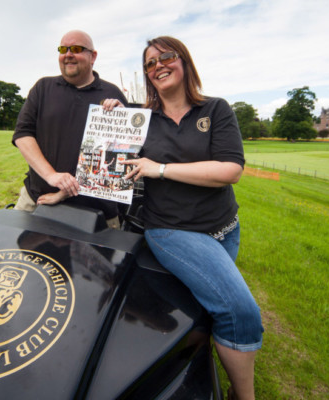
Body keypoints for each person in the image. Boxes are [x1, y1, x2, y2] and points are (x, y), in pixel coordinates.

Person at [102, 36, 263, 400]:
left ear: (184, 61)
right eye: (149, 63)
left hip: (225, 230)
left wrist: (159, 169)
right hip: (171, 231)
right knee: (240, 311)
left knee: (208, 305)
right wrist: (111, 114)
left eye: (166, 57)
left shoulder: (216, 109)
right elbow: (108, 159)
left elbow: (230, 170)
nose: (158, 66)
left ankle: (197, 366)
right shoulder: (140, 119)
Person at [12, 30, 128, 228]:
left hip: (98, 213)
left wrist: (123, 122)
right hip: (37, 201)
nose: (68, 54)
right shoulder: (43, 88)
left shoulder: (113, 94)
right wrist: (51, 175)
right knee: (16, 254)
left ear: (93, 56)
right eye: (63, 49)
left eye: (76, 49)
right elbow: (23, 135)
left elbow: (125, 158)